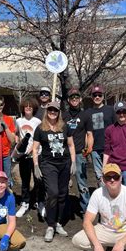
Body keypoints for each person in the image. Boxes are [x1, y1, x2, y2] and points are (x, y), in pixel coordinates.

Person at [33, 101, 76, 242]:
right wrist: (36, 165)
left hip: (64, 163)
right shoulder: (40, 128)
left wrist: (73, 162)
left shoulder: (65, 127)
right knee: (53, 192)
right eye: (50, 110)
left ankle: (58, 223)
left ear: (59, 112)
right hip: (48, 164)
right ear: (47, 111)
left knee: (63, 194)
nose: (53, 112)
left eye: (55, 110)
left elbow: (70, 145)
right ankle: (50, 225)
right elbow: (35, 148)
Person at [62, 88, 94, 213]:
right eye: (72, 98)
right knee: (64, 182)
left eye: (76, 97)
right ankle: (64, 207)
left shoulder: (85, 115)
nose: (74, 100)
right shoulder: (63, 115)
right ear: (68, 100)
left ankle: (86, 208)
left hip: (80, 154)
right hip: (65, 154)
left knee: (82, 183)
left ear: (80, 99)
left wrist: (89, 148)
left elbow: (90, 134)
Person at [14, 97, 44, 218]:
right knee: (25, 180)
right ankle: (25, 203)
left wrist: (32, 149)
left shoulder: (38, 121)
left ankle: (39, 201)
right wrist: (18, 144)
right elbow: (17, 134)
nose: (28, 108)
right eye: (26, 106)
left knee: (39, 179)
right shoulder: (18, 121)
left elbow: (41, 138)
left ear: (33, 108)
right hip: (23, 156)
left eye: (30, 106)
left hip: (36, 154)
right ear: (22, 108)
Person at [84, 84, 115, 185]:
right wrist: (87, 148)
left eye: (99, 95)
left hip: (110, 148)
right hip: (95, 149)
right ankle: (102, 197)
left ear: (103, 96)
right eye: (95, 95)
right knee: (99, 176)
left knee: (111, 174)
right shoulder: (87, 112)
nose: (97, 97)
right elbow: (87, 132)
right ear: (92, 97)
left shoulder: (110, 110)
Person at [0, 96, 16, 186]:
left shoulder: (9, 119)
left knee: (6, 178)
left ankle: (7, 197)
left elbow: (12, 140)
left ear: (3, 105)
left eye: (0, 105)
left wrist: (5, 127)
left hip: (5, 154)